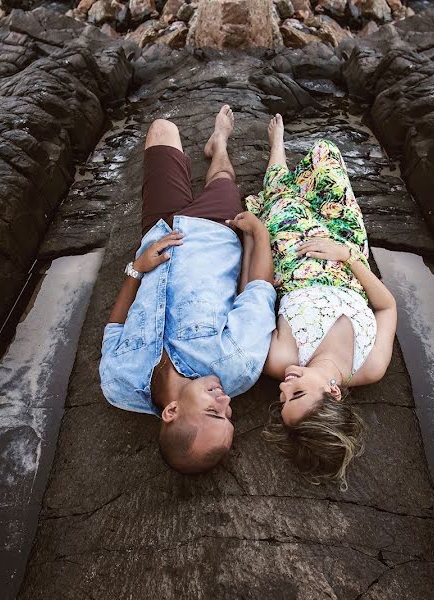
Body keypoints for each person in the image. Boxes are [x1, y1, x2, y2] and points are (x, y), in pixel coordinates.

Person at [100, 105, 276, 474]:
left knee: (162, 128)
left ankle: (214, 149)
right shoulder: (236, 365)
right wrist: (259, 233)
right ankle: (220, 142)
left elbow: (114, 327)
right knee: (223, 178)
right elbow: (259, 291)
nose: (226, 400)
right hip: (216, 230)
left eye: (215, 411)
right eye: (229, 414)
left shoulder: (118, 382)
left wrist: (137, 269)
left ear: (171, 412)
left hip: (160, 232)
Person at [246, 113, 398, 488]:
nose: (283, 388)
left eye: (282, 400)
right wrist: (347, 256)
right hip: (346, 255)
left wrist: (257, 237)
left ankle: (277, 145)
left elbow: (257, 292)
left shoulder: (281, 359)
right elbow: (386, 306)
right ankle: (294, 182)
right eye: (296, 393)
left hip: (294, 252)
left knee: (282, 197)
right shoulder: (371, 366)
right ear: (333, 392)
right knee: (324, 151)